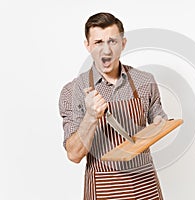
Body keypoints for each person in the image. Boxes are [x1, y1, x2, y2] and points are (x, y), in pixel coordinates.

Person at [59, 12, 168, 200]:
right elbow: (74, 154)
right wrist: (91, 117)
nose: (106, 50)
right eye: (98, 42)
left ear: (123, 43)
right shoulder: (73, 90)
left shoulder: (145, 81)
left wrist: (161, 122)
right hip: (104, 189)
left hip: (146, 187)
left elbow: (158, 116)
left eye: (112, 41)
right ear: (88, 46)